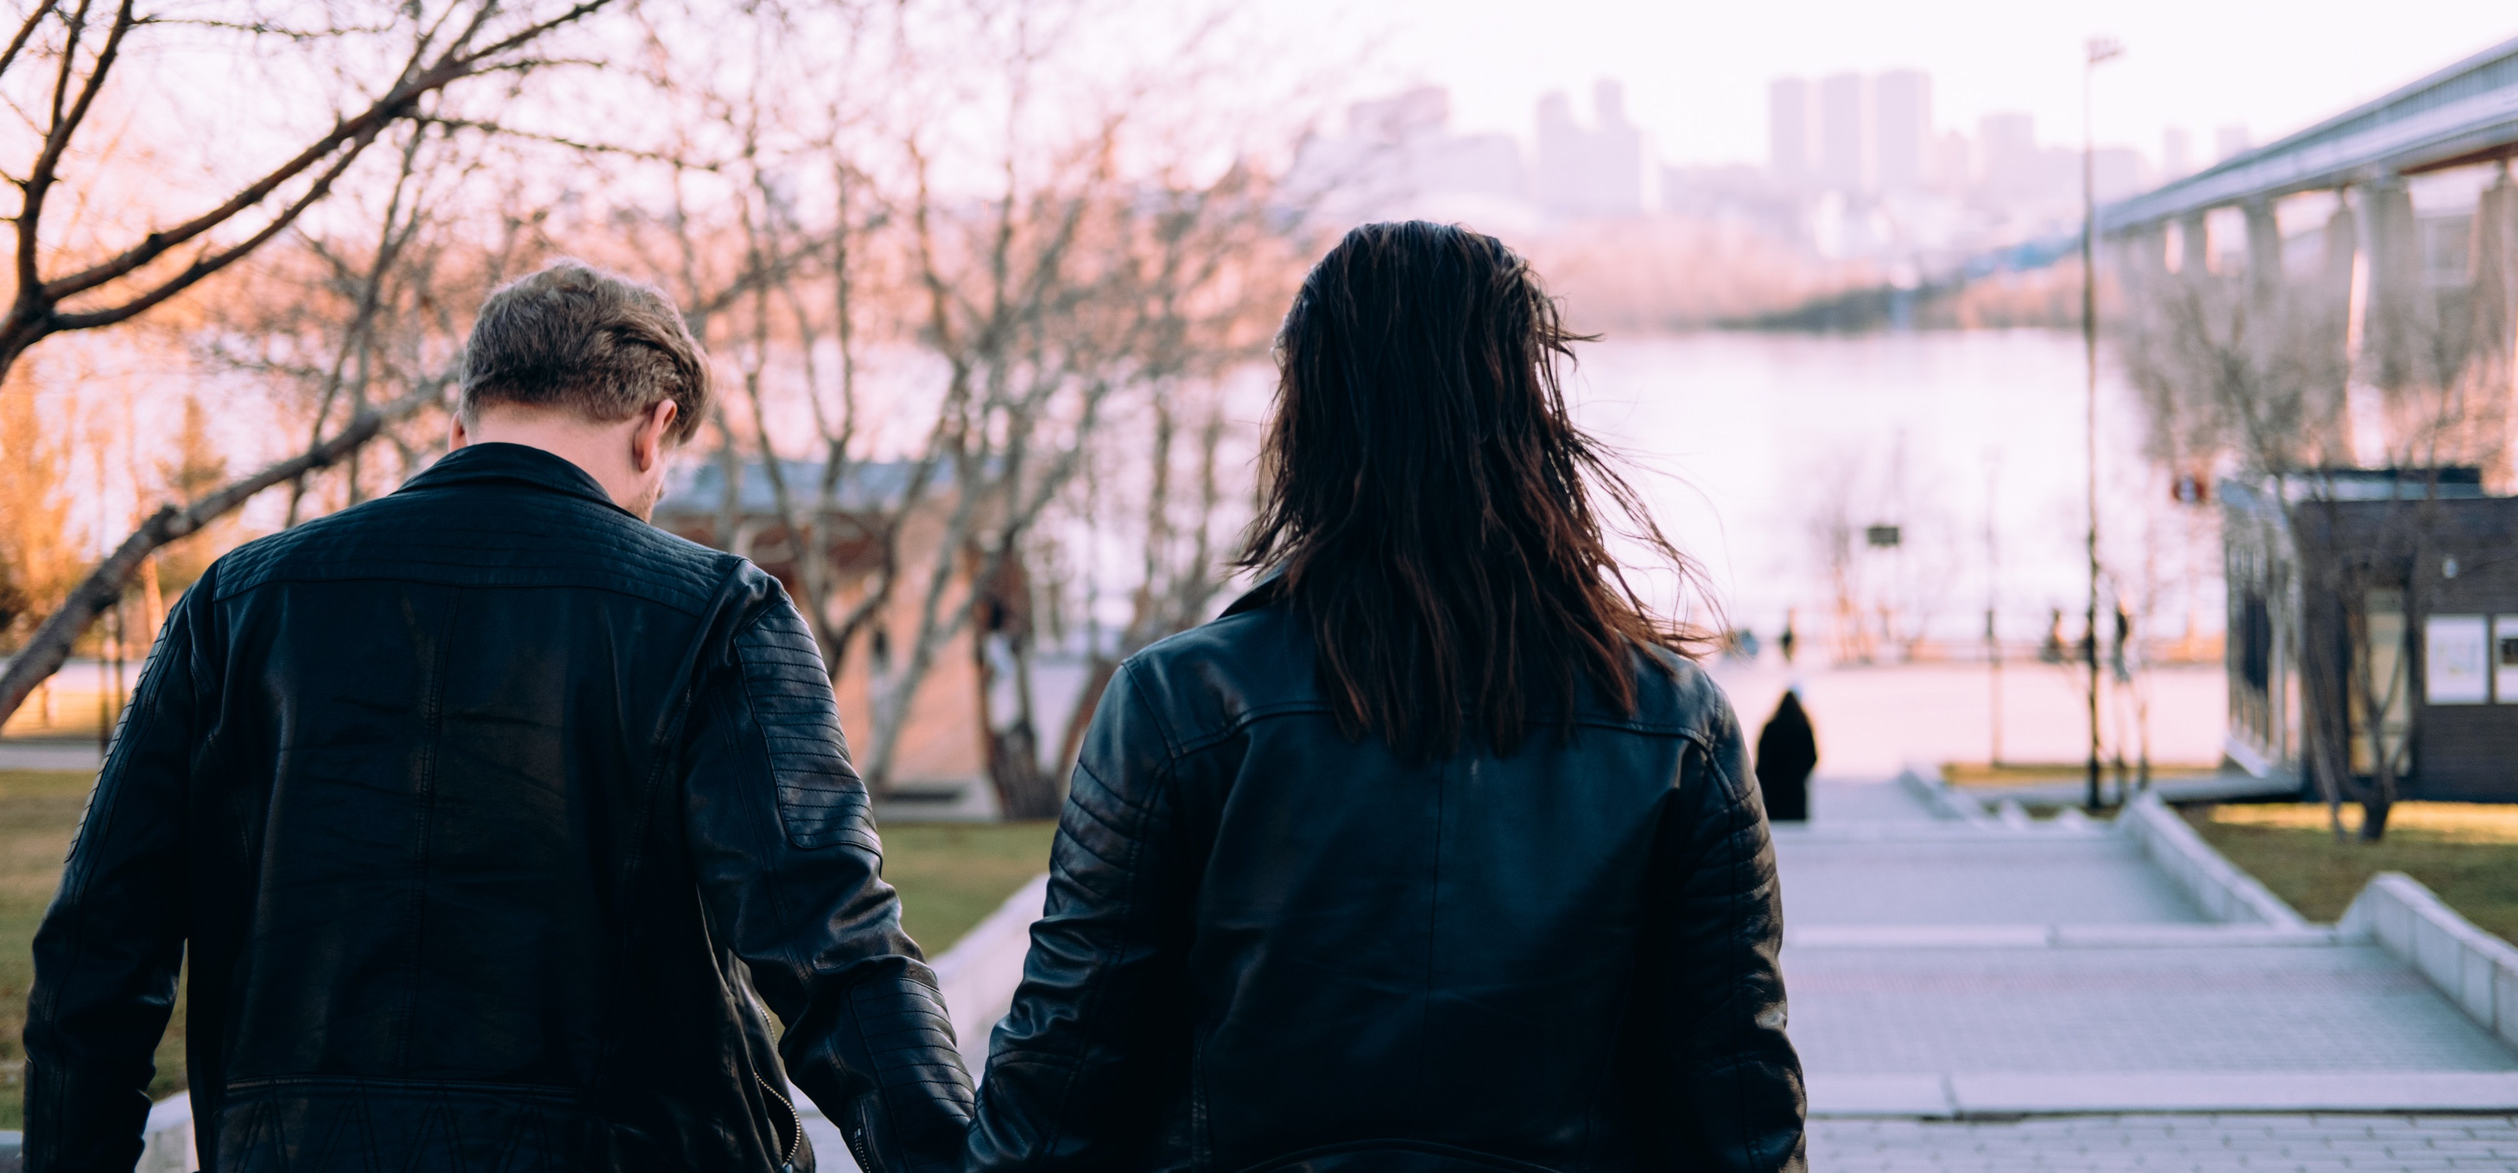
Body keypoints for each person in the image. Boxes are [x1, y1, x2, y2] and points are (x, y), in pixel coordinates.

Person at [25, 263, 971, 1172]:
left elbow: (95, 950)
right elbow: (834, 947)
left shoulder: (237, 603)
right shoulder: (717, 612)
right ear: (656, 430)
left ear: (462, 422)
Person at [967, 221, 1805, 1173]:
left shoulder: (1177, 705)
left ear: (1310, 417)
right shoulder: (1675, 724)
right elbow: (1741, 1111)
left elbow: (1061, 1077)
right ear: (1533, 415)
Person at [1754, 688, 1820, 823]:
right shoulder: (1803, 728)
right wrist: (1800, 773)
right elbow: (1812, 757)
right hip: (1796, 791)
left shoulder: (1770, 728)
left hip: (1774, 791)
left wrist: (1764, 779)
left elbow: (1762, 760)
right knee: (1796, 832)